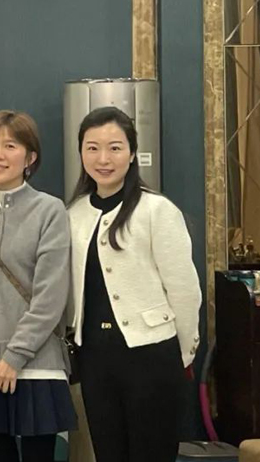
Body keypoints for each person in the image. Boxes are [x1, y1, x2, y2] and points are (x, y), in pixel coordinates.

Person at [68, 106, 202, 462]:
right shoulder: (74, 214)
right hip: (95, 358)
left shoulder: (156, 210)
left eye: (115, 148)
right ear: (81, 153)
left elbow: (185, 291)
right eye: (92, 148)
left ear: (131, 153)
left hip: (152, 354)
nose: (103, 159)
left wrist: (183, 354)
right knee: (108, 452)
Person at [0, 111, 76, 462]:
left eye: (10, 146)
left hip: (37, 365)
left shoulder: (49, 210)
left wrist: (14, 358)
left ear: (30, 157)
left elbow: (51, 296)